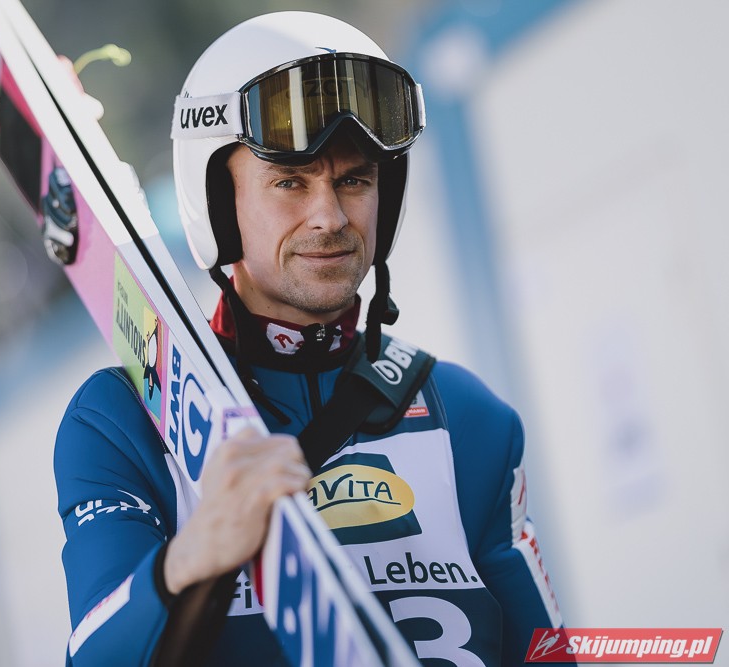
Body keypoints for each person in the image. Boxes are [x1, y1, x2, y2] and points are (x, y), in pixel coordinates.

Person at [54, 11, 563, 667]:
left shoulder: (468, 419)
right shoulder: (122, 421)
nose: (330, 216)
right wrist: (194, 557)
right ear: (219, 204)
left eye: (354, 179)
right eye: (290, 182)